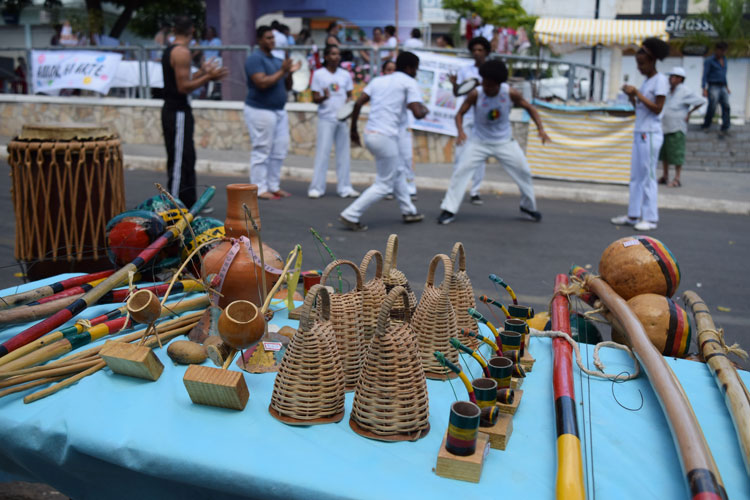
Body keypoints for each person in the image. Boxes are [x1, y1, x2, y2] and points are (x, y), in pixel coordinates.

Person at [438, 59, 549, 225]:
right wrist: (460, 132)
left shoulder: (509, 93)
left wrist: (541, 129)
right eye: (484, 82)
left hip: (504, 141)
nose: (485, 87)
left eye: (489, 84)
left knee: (524, 171)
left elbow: (530, 108)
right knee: (461, 171)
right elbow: (459, 114)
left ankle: (528, 207)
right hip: (478, 141)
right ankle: (448, 209)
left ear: (498, 84)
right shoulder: (476, 93)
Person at [339, 51, 429, 231]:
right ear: (410, 68)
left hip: (371, 134)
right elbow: (417, 112)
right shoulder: (408, 82)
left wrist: (354, 130)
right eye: (416, 69)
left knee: (396, 172)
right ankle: (351, 213)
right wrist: (425, 110)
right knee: (384, 183)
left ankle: (409, 210)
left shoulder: (378, 81)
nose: (416, 73)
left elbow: (357, 103)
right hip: (386, 137)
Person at [161, 16, 227, 210]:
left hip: (179, 111)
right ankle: (173, 206)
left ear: (174, 29)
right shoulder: (182, 52)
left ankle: (190, 203)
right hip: (177, 111)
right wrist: (209, 76)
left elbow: (183, 79)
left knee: (188, 158)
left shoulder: (174, 50)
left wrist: (201, 73)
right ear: (192, 32)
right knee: (179, 161)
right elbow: (183, 87)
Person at [611, 37, 670, 232]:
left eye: (641, 63)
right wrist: (632, 96)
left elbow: (657, 109)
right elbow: (640, 108)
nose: (639, 68)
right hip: (640, 131)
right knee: (636, 176)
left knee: (648, 176)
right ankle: (633, 214)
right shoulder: (647, 82)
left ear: (652, 59)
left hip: (651, 133)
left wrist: (638, 94)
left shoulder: (660, 81)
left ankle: (650, 218)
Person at [244, 25, 301, 200]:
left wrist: (289, 72)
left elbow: (288, 86)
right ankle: (259, 188)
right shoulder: (255, 59)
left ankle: (273, 185)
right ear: (260, 40)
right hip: (260, 109)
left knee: (279, 150)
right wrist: (283, 71)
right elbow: (261, 83)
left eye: (273, 38)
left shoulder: (277, 61)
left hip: (279, 110)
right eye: (268, 38)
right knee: (262, 149)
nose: (272, 41)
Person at [308, 45, 359, 199]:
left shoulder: (345, 75)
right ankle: (317, 187)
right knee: (322, 153)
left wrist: (348, 109)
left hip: (342, 119)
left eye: (338, 54)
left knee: (343, 155)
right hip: (326, 118)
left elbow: (349, 95)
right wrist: (324, 97)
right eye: (333, 54)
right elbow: (314, 98)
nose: (336, 57)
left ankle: (345, 187)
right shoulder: (318, 74)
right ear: (326, 56)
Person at [448, 36, 491, 205]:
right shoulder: (465, 70)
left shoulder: (491, 70)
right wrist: (453, 84)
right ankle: (455, 189)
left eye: (480, 50)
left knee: (480, 155)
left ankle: (475, 190)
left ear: (486, 52)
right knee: (460, 153)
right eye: (474, 50)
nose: (477, 53)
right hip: (466, 116)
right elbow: (458, 92)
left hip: (482, 117)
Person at [658, 67, 706, 188]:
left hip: (677, 127)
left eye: (673, 77)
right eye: (670, 77)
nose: (670, 79)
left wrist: (689, 113)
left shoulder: (685, 91)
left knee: (677, 154)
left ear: (680, 79)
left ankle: (677, 178)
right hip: (665, 126)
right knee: (665, 154)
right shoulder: (668, 90)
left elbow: (701, 100)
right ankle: (665, 175)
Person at [382, 59, 418, 199]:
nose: (391, 72)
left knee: (407, 158)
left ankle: (410, 187)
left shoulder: (404, 85)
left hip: (403, 128)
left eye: (393, 69)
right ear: (383, 72)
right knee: (390, 159)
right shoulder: (380, 86)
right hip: (386, 128)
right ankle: (389, 187)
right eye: (388, 70)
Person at [701, 41, 730, 134]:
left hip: (722, 86)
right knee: (712, 106)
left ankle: (725, 127)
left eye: (724, 51)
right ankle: (706, 124)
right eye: (721, 51)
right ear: (717, 50)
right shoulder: (709, 60)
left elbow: (723, 75)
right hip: (713, 86)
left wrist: (727, 86)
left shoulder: (724, 59)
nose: (723, 53)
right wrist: (704, 88)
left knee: (726, 106)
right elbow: (704, 75)